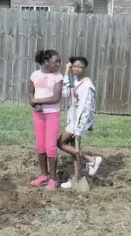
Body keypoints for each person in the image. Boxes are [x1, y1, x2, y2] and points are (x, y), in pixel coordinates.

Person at [57, 56, 102, 189]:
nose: (76, 69)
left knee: (60, 143)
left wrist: (79, 129)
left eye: (80, 66)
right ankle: (77, 178)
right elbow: (65, 93)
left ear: (85, 68)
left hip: (77, 123)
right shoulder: (73, 80)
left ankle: (91, 159)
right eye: (74, 66)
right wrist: (66, 72)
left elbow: (88, 109)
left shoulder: (88, 85)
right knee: (73, 151)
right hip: (72, 119)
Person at [28, 49, 63, 192]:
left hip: (51, 115)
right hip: (38, 115)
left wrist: (38, 100)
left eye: (59, 62)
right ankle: (44, 175)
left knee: (50, 147)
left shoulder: (58, 77)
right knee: (41, 146)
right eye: (56, 61)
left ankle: (53, 179)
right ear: (46, 61)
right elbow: (30, 92)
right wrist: (34, 103)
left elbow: (56, 98)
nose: (59, 64)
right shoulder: (35, 75)